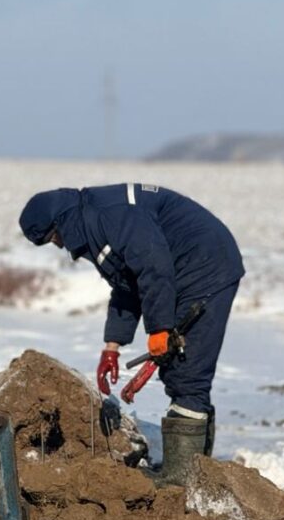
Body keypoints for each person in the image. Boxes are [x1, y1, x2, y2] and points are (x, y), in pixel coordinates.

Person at [18, 183, 244, 486]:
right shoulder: (95, 223)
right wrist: (112, 346)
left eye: (54, 238)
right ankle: (193, 470)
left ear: (61, 222)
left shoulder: (110, 215)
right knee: (178, 370)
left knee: (187, 371)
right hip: (185, 269)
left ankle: (181, 480)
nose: (59, 245)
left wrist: (160, 329)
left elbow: (154, 268)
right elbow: (128, 285)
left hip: (205, 265)